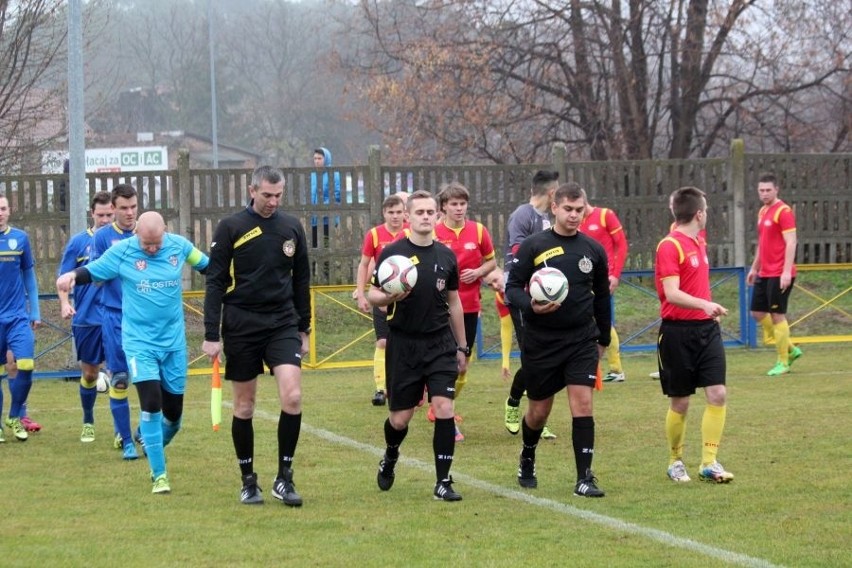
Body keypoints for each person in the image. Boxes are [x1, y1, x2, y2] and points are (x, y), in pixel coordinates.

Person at [58, 212, 209, 494]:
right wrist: (71, 277)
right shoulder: (122, 251)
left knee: (174, 416)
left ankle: (149, 441)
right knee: (151, 404)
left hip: (173, 344)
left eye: (156, 243)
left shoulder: (179, 246)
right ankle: (159, 475)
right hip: (139, 342)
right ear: (137, 234)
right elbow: (93, 270)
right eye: (146, 244)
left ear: (165, 232)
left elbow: (208, 266)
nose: (151, 249)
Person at [202, 165, 311, 507]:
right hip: (242, 324)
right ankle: (249, 481)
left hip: (282, 323)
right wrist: (211, 333)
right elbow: (215, 281)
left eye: (278, 196)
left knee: (292, 398)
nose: (272, 202)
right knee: (245, 406)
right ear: (252, 190)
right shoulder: (231, 227)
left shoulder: (292, 227)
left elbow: (301, 280)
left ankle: (284, 477)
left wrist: (304, 328)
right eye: (267, 195)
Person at [505, 182, 611, 498]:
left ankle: (585, 477)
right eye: (568, 209)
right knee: (539, 412)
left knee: (583, 402)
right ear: (555, 207)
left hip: (581, 340)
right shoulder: (534, 246)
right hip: (542, 341)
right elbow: (511, 289)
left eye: (579, 210)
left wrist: (602, 337)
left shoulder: (593, 249)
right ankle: (527, 454)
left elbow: (602, 297)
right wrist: (531, 306)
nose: (574, 215)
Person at [368, 189, 468, 502]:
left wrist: (462, 347)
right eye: (419, 212)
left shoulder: (446, 256)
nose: (425, 217)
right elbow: (372, 295)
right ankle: (391, 453)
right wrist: (387, 297)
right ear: (407, 217)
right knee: (400, 419)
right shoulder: (392, 254)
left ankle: (443, 481)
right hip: (404, 344)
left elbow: (454, 303)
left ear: (438, 217)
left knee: (444, 408)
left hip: (439, 343)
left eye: (430, 212)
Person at [655, 186, 733, 484]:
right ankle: (675, 461)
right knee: (681, 403)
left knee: (718, 393)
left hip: (707, 331)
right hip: (676, 333)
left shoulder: (699, 240)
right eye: (707, 210)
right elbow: (672, 294)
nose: (708, 215)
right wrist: (706, 304)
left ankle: (709, 462)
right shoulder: (669, 246)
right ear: (699, 214)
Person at [433, 182, 496, 441]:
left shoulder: (479, 231)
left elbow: (492, 261)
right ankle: (447, 416)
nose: (459, 209)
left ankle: (442, 403)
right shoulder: (435, 232)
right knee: (446, 364)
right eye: (454, 204)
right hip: (439, 308)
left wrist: (479, 272)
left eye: (462, 204)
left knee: (462, 366)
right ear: (444, 206)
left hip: (469, 307)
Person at [503, 170, 559, 439]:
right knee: (533, 357)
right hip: (523, 296)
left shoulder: (548, 219)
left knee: (545, 358)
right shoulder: (522, 215)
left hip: (548, 295)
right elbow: (517, 254)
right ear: (551, 193)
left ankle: (537, 413)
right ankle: (515, 404)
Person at [57, 191, 114, 443]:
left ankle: (120, 431)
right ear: (92, 214)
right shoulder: (79, 242)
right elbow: (63, 279)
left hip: (114, 316)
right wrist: (64, 303)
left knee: (119, 374)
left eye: (109, 215)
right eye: (100, 215)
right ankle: (88, 420)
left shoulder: (122, 241)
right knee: (90, 374)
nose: (105, 219)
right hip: (87, 318)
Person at [92, 184, 140, 460]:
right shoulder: (103, 238)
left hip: (145, 318)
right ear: (113, 209)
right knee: (120, 380)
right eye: (123, 208)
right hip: (114, 316)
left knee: (153, 383)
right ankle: (125, 441)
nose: (129, 212)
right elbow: (97, 276)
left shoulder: (148, 231)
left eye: (133, 206)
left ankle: (144, 431)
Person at [746, 172, 802, 376]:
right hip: (765, 272)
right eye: (761, 190)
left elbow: (791, 242)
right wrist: (754, 267)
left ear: (776, 189)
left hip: (780, 272)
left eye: (768, 190)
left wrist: (786, 271)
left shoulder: (784, 211)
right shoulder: (762, 211)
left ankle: (783, 361)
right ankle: (791, 348)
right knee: (757, 313)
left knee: (778, 315)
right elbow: (762, 243)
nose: (764, 193)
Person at [354, 193, 407, 406]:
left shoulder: (410, 234)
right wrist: (360, 292)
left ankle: (407, 386)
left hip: (406, 297)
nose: (395, 216)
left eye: (398, 212)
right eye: (390, 212)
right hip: (381, 295)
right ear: (384, 213)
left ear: (405, 213)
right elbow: (364, 264)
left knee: (405, 343)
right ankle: (380, 389)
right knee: (383, 341)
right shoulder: (374, 235)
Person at [0, 194, 41, 443]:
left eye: (3, 208)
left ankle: (14, 416)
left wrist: (34, 311)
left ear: (9, 210)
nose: (0, 213)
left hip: (17, 316)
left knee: (26, 364)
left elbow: (29, 277)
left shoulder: (20, 238)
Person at [578, 190, 629, 382]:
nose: (574, 214)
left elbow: (621, 245)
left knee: (602, 321)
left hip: (604, 279)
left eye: (577, 208)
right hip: (584, 280)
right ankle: (596, 367)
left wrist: (615, 275)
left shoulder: (605, 215)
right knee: (593, 321)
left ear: (584, 201)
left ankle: (616, 369)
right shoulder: (577, 223)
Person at [484, 268, 513, 382]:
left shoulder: (526, 284)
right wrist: (505, 362)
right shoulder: (500, 298)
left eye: (496, 280)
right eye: (490, 284)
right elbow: (506, 328)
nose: (495, 286)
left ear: (503, 274)